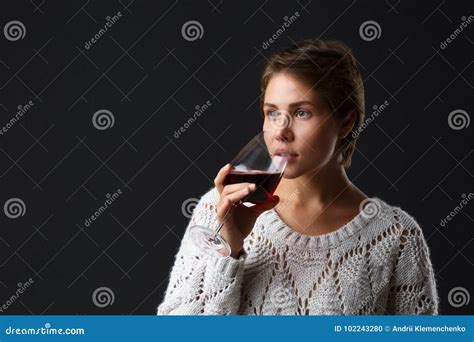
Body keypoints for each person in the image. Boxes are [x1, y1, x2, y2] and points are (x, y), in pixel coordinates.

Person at [157, 39, 439, 315]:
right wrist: (228, 249)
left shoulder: (397, 237)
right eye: (272, 113)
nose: (281, 131)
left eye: (302, 112)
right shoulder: (217, 209)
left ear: (346, 123)